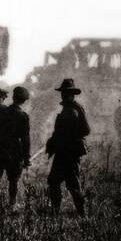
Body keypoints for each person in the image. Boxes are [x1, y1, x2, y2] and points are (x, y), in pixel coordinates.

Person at [46, 78, 90, 216]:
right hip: (64, 152)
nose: (63, 95)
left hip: (68, 153)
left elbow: (82, 131)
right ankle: (57, 212)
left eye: (66, 92)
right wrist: (52, 141)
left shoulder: (71, 111)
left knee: (72, 185)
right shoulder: (71, 108)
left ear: (71, 94)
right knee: (55, 181)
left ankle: (83, 215)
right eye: (63, 92)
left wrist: (55, 141)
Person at [0, 86, 30, 210]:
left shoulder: (3, 111)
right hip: (14, 152)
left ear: (13, 98)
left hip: (0, 149)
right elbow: (25, 139)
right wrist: (26, 157)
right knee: (13, 180)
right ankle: (12, 204)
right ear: (24, 101)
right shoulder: (23, 116)